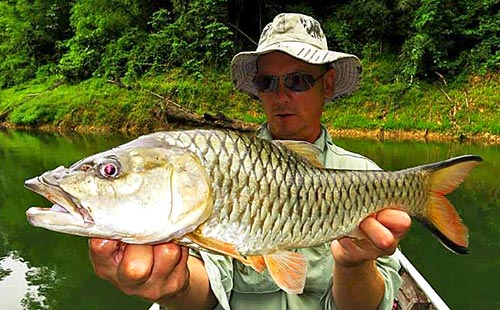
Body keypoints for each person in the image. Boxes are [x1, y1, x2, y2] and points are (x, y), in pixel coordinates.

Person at [89, 13, 411, 309]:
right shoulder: (227, 166)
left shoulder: (367, 176)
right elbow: (206, 287)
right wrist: (175, 286)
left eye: (298, 81)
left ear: (326, 85)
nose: (281, 96)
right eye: (267, 83)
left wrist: (353, 263)